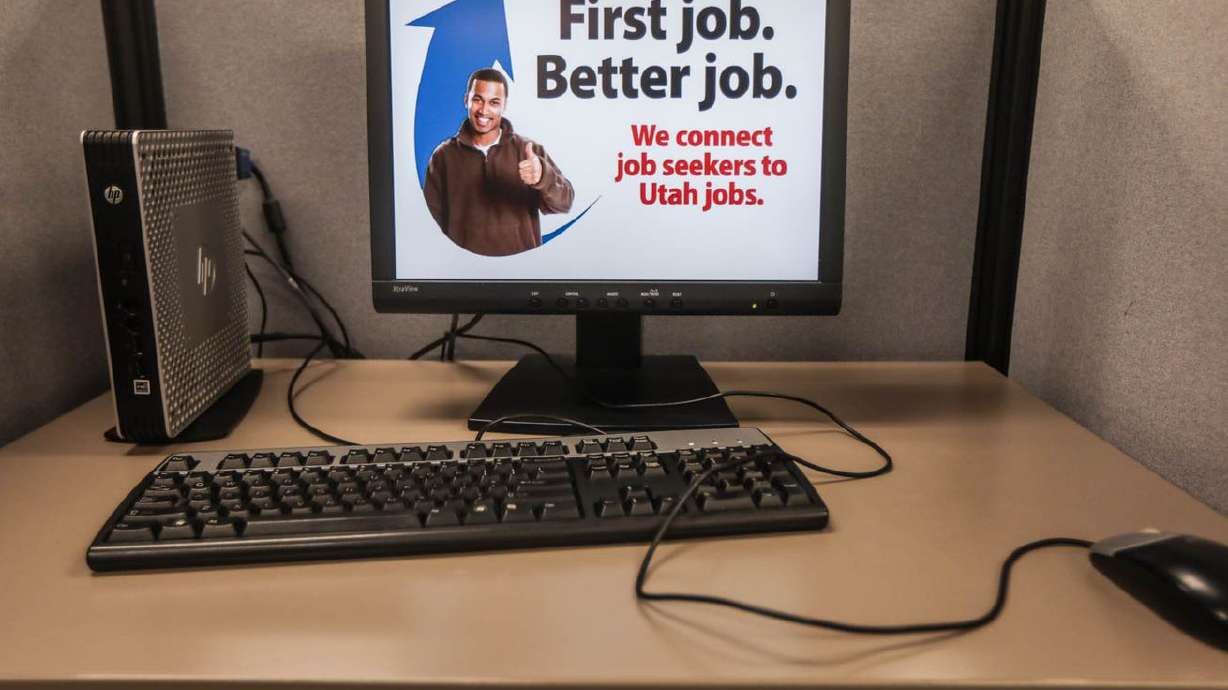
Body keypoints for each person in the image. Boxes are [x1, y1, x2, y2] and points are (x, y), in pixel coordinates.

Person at [424, 68, 575, 257]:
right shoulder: (443, 157)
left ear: (504, 106)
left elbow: (565, 202)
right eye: (477, 99)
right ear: (466, 100)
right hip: (464, 273)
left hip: (521, 273)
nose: (484, 110)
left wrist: (543, 177)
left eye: (494, 102)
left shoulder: (529, 151)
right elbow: (429, 226)